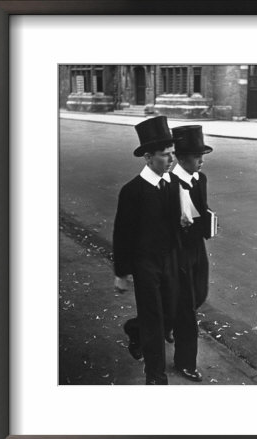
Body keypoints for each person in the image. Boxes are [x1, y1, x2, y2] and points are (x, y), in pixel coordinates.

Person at [112, 116, 181, 385]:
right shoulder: (132, 191)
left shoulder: (171, 183)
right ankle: (155, 376)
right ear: (148, 158)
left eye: (173, 154)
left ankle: (134, 329)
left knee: (170, 314)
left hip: (170, 261)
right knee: (154, 322)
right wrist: (121, 273)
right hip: (145, 265)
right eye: (165, 155)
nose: (171, 159)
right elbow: (122, 234)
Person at [171, 125, 213, 382]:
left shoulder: (200, 179)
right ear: (182, 158)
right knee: (186, 309)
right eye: (197, 156)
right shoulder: (169, 183)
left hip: (197, 248)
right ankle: (185, 362)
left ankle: (141, 330)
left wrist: (208, 221)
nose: (201, 160)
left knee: (198, 294)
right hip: (176, 253)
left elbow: (202, 207)